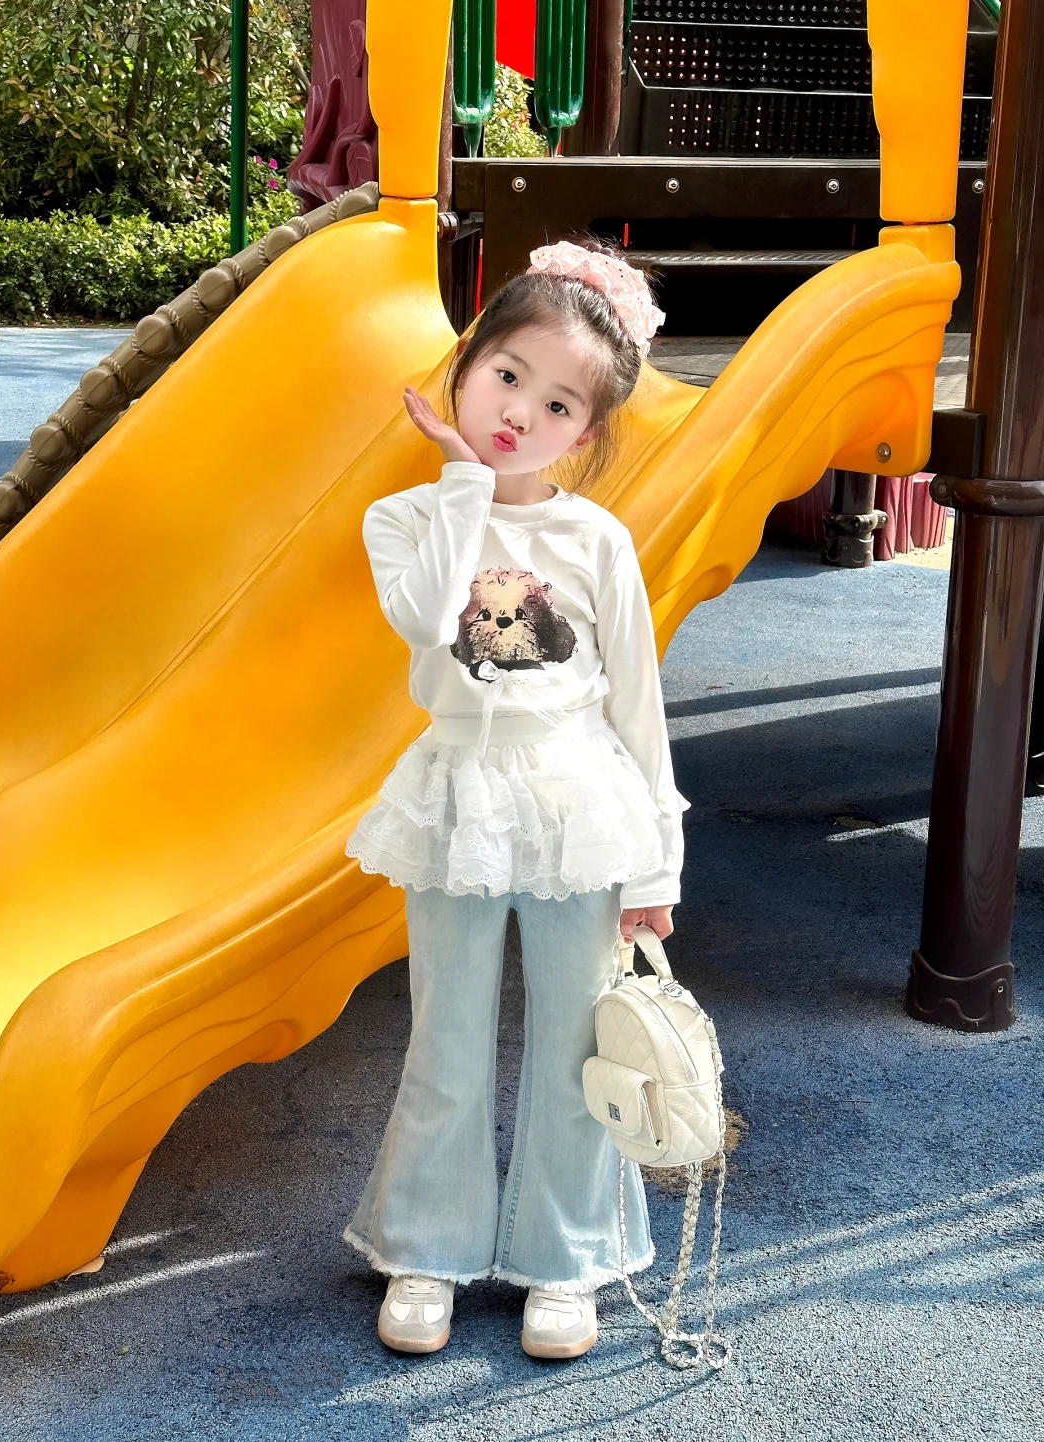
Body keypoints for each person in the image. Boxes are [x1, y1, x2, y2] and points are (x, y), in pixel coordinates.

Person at [342, 237, 687, 1360]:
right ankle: (426, 1247)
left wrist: (658, 866)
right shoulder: (406, 518)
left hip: (580, 800)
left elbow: (636, 703)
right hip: (459, 799)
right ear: (468, 365)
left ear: (583, 434)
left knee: (577, 1041)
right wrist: (460, 481)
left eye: (557, 405)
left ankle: (565, 1256)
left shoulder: (597, 538)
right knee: (443, 1034)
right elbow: (426, 616)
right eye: (506, 376)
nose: (519, 413)